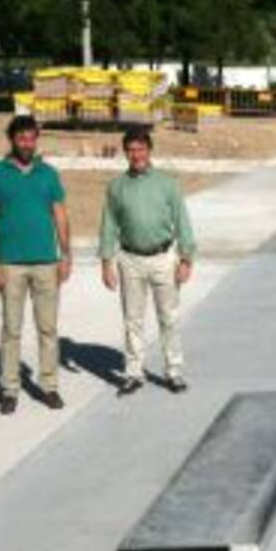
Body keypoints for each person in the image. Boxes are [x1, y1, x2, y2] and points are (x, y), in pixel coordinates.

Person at [98, 126, 196, 395]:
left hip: (164, 258)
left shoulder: (167, 184)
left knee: (169, 318)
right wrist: (106, 262)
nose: (136, 154)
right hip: (129, 259)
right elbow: (108, 225)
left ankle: (174, 371)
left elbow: (182, 221)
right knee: (132, 319)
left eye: (140, 149)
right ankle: (133, 372)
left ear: (149, 150)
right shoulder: (117, 187)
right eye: (130, 150)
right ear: (125, 153)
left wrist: (186, 258)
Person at [0, 114, 71, 415]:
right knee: (11, 329)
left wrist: (66, 256)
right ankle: (10, 388)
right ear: (12, 140)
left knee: (47, 329)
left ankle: (49, 386)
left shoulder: (48, 174)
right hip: (9, 264)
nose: (27, 143)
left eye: (31, 138)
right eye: (21, 138)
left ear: (37, 139)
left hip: (46, 263)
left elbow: (60, 215)